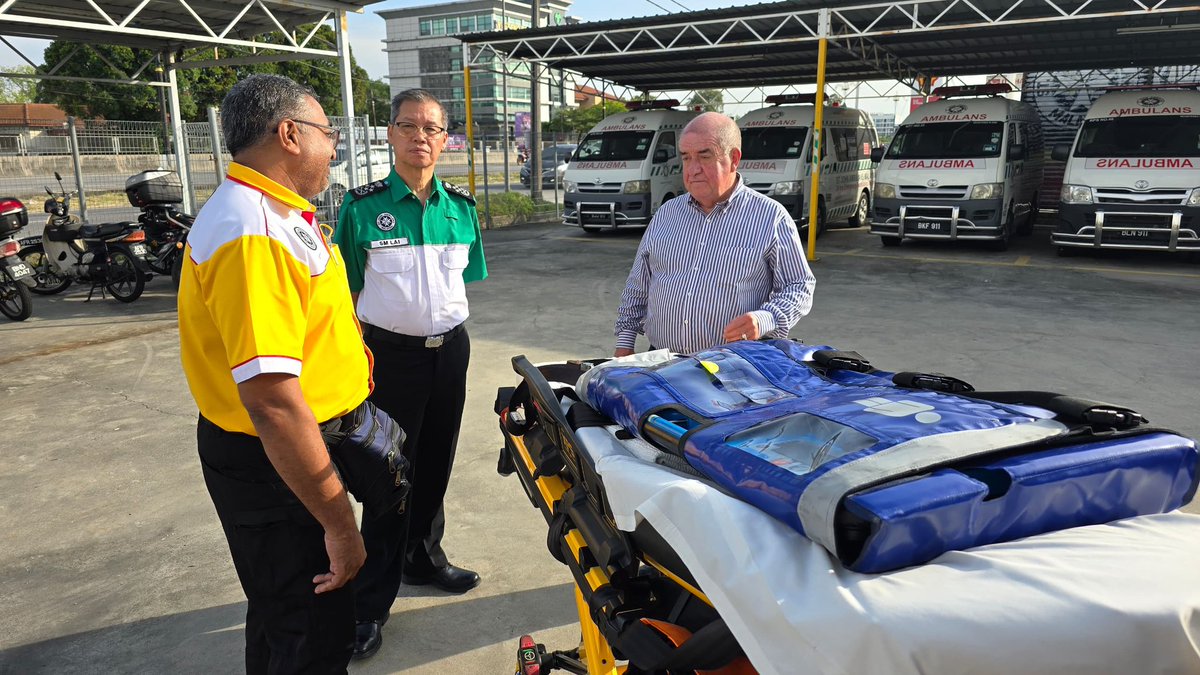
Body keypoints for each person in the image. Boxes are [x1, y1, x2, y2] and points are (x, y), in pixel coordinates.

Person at [177, 74, 372, 673]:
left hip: (284, 458)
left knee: (280, 617)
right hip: (276, 464)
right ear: (289, 134)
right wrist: (339, 523)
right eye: (325, 131)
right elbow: (273, 401)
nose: (334, 146)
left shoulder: (273, 213)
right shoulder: (254, 232)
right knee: (311, 637)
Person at [333, 88, 487, 659]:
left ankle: (425, 558)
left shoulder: (461, 208)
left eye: (433, 129)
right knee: (387, 471)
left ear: (445, 140)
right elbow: (343, 288)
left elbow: (462, 280)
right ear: (391, 135)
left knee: (436, 461)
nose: (421, 137)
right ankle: (370, 603)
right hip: (388, 357)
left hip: (450, 352)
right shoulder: (362, 206)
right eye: (409, 126)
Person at [613, 112, 816, 356]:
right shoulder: (666, 214)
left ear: (733, 159)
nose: (693, 169)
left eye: (704, 156)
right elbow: (638, 286)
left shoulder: (770, 217)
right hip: (662, 363)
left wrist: (766, 318)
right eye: (686, 158)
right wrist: (624, 346)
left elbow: (799, 286)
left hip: (733, 369)